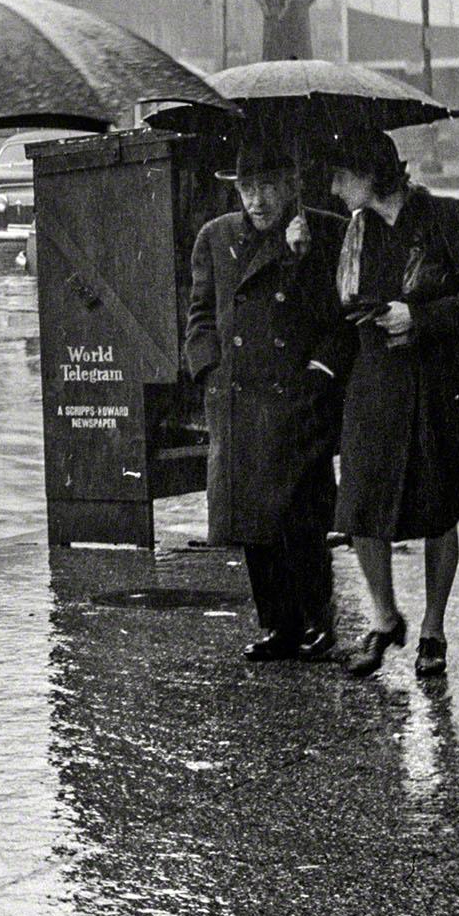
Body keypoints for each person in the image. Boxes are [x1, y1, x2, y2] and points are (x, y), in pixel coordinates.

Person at [323, 126, 459, 680]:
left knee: (438, 508)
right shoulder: (354, 231)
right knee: (361, 506)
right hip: (376, 384)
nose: (333, 187)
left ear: (370, 174)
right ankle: (385, 619)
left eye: (341, 175)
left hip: (440, 383)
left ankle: (433, 630)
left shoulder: (444, 216)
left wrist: (420, 317)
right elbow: (339, 308)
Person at [185, 137, 352, 663]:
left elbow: (340, 318)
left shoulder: (325, 233)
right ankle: (278, 625)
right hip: (238, 398)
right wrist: (209, 369)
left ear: (290, 185)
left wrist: (320, 372)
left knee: (301, 519)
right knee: (252, 522)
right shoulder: (216, 237)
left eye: (267, 187)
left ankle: (317, 621)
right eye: (247, 188)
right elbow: (201, 313)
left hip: (297, 396)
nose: (256, 200)